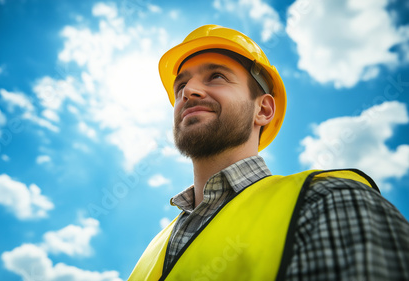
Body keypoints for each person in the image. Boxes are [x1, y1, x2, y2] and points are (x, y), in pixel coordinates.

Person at [129, 25, 409, 280]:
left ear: (263, 110)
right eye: (180, 86)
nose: (188, 91)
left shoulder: (329, 200)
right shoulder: (151, 252)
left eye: (216, 76)